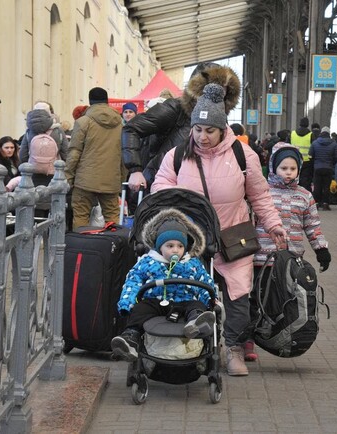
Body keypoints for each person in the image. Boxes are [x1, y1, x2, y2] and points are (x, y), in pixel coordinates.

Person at [151, 82, 287, 377]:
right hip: (191, 239)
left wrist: (274, 224)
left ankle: (234, 349)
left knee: (238, 295)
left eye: (209, 131)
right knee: (190, 291)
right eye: (198, 130)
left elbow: (260, 195)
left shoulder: (243, 155)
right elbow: (160, 186)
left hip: (234, 235)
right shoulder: (177, 155)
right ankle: (193, 346)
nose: (202, 137)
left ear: (222, 128)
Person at [249, 143, 331, 361]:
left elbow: (312, 225)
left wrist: (321, 249)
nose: (288, 172)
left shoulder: (304, 196)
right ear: (274, 167)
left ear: (299, 170)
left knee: (282, 300)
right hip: (260, 259)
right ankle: (247, 339)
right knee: (255, 299)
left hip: (290, 262)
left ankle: (278, 332)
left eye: (292, 169)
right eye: (283, 168)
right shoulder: (262, 193)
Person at [110, 209, 216, 362]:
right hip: (156, 302)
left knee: (196, 304)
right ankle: (131, 337)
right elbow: (133, 281)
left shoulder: (192, 263)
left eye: (180, 246)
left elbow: (205, 283)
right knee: (141, 308)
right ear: (159, 247)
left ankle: (196, 322)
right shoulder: (148, 262)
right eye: (170, 245)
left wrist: (212, 301)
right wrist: (128, 303)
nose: (175, 250)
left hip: (184, 301)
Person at [122, 63, 241, 193]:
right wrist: (135, 170)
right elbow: (131, 129)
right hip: (162, 188)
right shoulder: (176, 109)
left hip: (202, 193)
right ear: (199, 89)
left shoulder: (221, 119)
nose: (218, 96)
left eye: (223, 91)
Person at [65, 87, 125, 229]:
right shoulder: (120, 123)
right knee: (112, 217)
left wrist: (68, 177)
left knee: (81, 216)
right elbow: (124, 153)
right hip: (111, 179)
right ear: (107, 101)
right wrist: (121, 178)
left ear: (90, 101)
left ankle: (82, 249)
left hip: (84, 179)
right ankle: (113, 247)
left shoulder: (83, 122)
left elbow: (74, 152)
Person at [309, 126, 337, 210]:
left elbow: (310, 155)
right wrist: (331, 163)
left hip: (317, 168)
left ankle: (317, 204)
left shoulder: (315, 143)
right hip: (328, 168)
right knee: (326, 186)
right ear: (329, 134)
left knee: (317, 186)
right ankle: (325, 204)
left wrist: (314, 164)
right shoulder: (333, 144)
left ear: (321, 133)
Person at [290, 117, 313, 190]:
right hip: (307, 161)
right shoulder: (311, 135)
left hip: (295, 159)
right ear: (308, 124)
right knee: (305, 179)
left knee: (294, 178)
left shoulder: (292, 133)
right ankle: (304, 194)